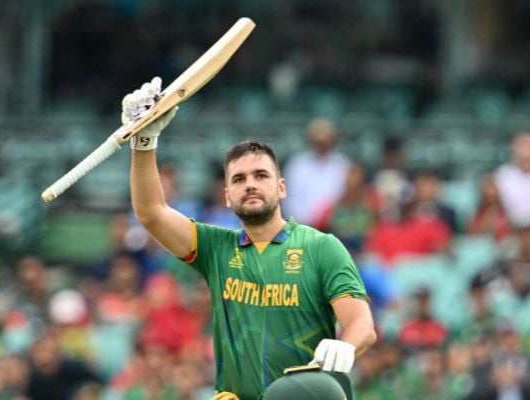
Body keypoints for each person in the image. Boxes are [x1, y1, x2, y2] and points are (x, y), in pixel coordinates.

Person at [124, 78, 376, 399]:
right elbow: (151, 213)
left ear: (282, 187)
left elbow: (361, 324)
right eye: (239, 179)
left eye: (261, 176)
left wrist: (346, 344)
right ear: (228, 196)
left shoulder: (321, 247)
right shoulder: (216, 248)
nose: (251, 185)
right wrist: (144, 141)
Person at [281, 117, 350, 225]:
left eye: (325, 142)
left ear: (332, 141)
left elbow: (346, 198)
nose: (321, 146)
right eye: (317, 142)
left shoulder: (343, 165)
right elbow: (288, 199)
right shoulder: (296, 165)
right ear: (310, 141)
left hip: (335, 228)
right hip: (300, 226)